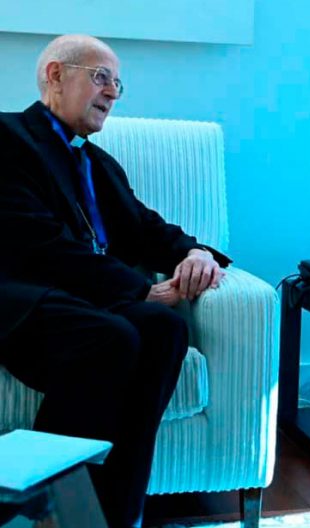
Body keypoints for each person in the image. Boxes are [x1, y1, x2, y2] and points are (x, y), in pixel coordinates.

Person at [0, 35, 230, 527]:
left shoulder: (99, 163)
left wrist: (195, 253)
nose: (112, 92)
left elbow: (145, 227)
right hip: (21, 298)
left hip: (85, 301)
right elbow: (34, 243)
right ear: (55, 75)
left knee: (165, 329)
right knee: (111, 336)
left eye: (117, 84)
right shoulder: (7, 136)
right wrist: (140, 289)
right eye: (100, 77)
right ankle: (33, 508)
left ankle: (119, 515)